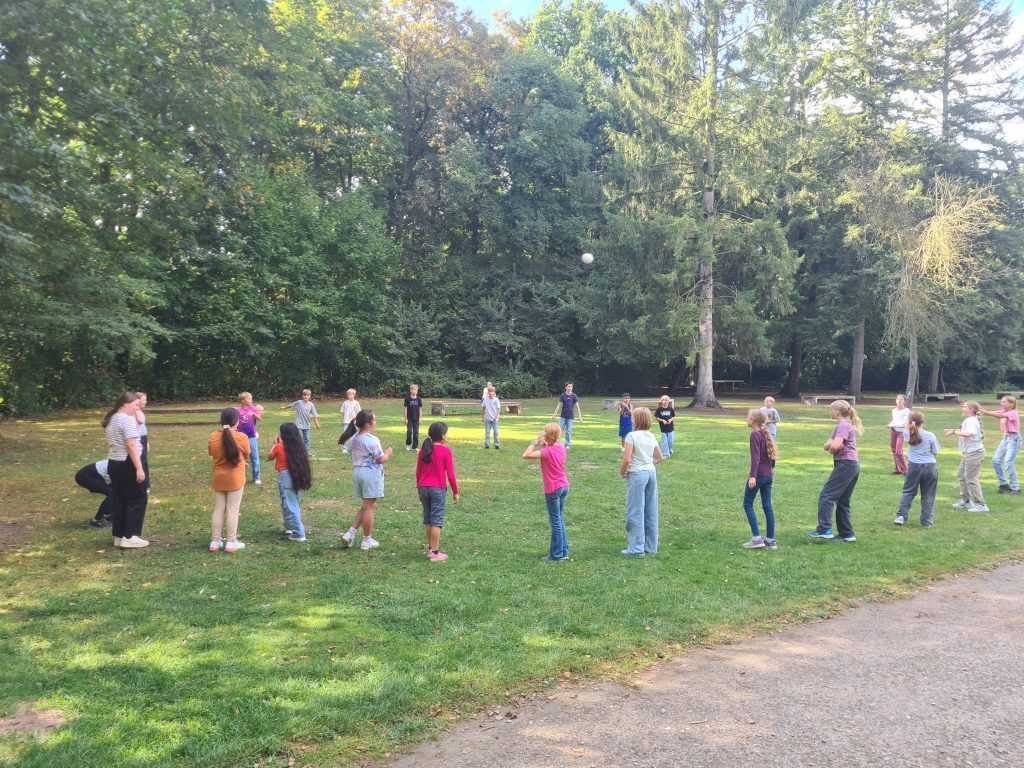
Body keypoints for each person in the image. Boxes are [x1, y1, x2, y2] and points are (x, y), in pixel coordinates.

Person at [339, 410, 393, 551]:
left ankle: (350, 533)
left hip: (358, 472)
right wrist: (388, 453)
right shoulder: (372, 440)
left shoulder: (354, 438)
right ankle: (366, 540)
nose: (375, 422)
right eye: (374, 420)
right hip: (370, 474)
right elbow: (380, 459)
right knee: (369, 508)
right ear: (368, 424)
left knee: (365, 506)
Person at [809, 400, 863, 542]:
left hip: (845, 465)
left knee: (826, 495)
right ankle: (847, 534)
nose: (830, 412)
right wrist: (832, 446)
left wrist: (833, 447)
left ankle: (824, 529)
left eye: (831, 410)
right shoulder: (841, 426)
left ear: (837, 412)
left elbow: (833, 446)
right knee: (843, 500)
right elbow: (826, 445)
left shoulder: (843, 426)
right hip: (852, 465)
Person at [101, 392, 149, 548]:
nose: (137, 408)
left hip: (114, 462)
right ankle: (130, 536)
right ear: (125, 404)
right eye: (135, 405)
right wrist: (139, 468)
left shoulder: (112, 418)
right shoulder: (127, 420)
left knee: (120, 499)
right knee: (137, 499)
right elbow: (131, 444)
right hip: (128, 463)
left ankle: (119, 535)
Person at [619, 407, 663, 556]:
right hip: (651, 473)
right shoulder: (651, 435)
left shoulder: (631, 436)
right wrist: (647, 463)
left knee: (635, 511)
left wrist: (622, 473)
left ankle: (636, 549)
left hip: (637, 475)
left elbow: (627, 459)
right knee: (651, 510)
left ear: (637, 420)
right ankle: (651, 547)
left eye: (633, 417)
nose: (631, 419)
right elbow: (660, 457)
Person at [523, 423, 570, 561]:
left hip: (553, 489)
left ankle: (556, 554)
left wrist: (535, 442)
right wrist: (545, 442)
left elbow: (526, 455)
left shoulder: (546, 452)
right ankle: (564, 551)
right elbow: (551, 448)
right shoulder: (562, 448)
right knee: (559, 519)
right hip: (564, 486)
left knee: (555, 522)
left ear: (547, 436)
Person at [208, 407, 251, 553]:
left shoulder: (213, 436)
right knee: (233, 509)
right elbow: (246, 453)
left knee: (219, 508)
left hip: (219, 477)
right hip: (235, 478)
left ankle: (215, 541)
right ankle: (231, 542)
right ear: (237, 421)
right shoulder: (242, 437)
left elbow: (213, 453)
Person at [416, 422, 459, 561]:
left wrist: (419, 490)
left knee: (428, 518)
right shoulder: (446, 451)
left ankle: (430, 548)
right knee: (436, 521)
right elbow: (451, 475)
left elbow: (418, 473)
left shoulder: (424, 450)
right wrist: (455, 492)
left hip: (424, 488)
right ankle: (434, 553)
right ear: (442, 436)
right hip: (437, 490)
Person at [894, 410, 939, 527]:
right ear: (923, 421)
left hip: (914, 466)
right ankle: (926, 522)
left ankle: (901, 516)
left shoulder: (907, 434)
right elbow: (935, 452)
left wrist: (910, 423)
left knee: (908, 492)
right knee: (928, 495)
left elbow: (906, 428)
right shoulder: (930, 435)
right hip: (930, 466)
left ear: (910, 421)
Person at [269, 422, 312, 542]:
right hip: (297, 475)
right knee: (291, 502)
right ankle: (290, 527)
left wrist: (275, 444)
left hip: (285, 476)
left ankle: (299, 533)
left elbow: (270, 456)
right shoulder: (300, 447)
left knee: (290, 504)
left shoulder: (279, 447)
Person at [742, 409, 778, 549]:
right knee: (767, 506)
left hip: (759, 476)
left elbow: (755, 458)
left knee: (747, 504)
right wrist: (772, 470)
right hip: (768, 475)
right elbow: (772, 453)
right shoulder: (765, 432)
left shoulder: (755, 434)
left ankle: (757, 539)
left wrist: (753, 476)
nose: (747, 419)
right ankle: (770, 539)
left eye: (748, 417)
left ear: (753, 420)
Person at [945, 401, 989, 512]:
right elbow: (966, 432)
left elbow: (969, 433)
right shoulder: (969, 420)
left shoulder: (971, 421)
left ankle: (981, 504)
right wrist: (954, 430)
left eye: (964, 407)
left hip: (974, 453)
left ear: (971, 410)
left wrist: (954, 431)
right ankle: (966, 501)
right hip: (968, 453)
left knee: (971, 479)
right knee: (961, 475)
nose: (962, 408)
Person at [980, 395, 1021, 495]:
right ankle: (1004, 485)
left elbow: (1000, 416)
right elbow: (994, 413)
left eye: (1004, 402)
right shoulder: (1003, 411)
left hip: (1014, 439)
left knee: (1008, 463)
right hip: (1006, 438)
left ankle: (1016, 488)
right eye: (1001, 401)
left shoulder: (1013, 413)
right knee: (996, 461)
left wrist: (986, 412)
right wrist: (979, 409)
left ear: (1011, 404)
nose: (1001, 403)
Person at [236, 391, 264, 486]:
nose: (251, 400)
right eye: (249, 398)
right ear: (243, 401)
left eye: (251, 398)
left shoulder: (252, 408)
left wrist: (254, 414)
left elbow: (259, 418)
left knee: (255, 456)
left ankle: (257, 477)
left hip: (251, 436)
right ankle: (239, 476)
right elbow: (234, 422)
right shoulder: (237, 410)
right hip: (240, 437)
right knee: (240, 457)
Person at [75, 460, 113, 527]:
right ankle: (98, 520)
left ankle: (108, 516)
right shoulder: (125, 467)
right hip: (85, 476)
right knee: (114, 494)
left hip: (95, 475)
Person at [551, 382, 583, 449]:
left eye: (571, 386)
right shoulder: (563, 395)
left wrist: (580, 416)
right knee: (560, 430)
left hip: (570, 416)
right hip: (563, 416)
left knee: (568, 431)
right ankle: (558, 443)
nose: (570, 388)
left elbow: (577, 407)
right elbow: (559, 405)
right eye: (568, 386)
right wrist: (554, 414)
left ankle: (567, 444)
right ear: (565, 387)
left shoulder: (574, 396)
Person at [887, 394, 911, 475]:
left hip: (901, 432)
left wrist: (893, 425)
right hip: (894, 431)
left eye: (901, 399)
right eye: (897, 399)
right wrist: (890, 424)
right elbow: (894, 421)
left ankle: (905, 470)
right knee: (894, 450)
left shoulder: (907, 411)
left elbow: (904, 423)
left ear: (904, 401)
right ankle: (898, 469)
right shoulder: (894, 411)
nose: (899, 401)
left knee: (898, 451)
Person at [135, 391, 151, 491]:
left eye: (146, 400)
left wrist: (147, 441)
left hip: (143, 438)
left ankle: (146, 485)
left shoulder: (139, 411)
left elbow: (143, 428)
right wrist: (136, 408)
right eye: (143, 400)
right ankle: (144, 485)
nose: (145, 402)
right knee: (141, 462)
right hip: (138, 439)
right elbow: (140, 421)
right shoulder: (136, 411)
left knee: (144, 462)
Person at [340, 389, 361, 454]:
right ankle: (344, 448)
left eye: (350, 394)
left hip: (353, 422)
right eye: (348, 394)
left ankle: (353, 448)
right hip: (346, 422)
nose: (349, 396)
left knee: (353, 435)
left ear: (354, 395)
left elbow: (359, 413)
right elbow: (342, 412)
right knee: (345, 435)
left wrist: (357, 420)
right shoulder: (345, 403)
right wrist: (342, 420)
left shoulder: (356, 403)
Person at [404, 384, 424, 452]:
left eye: (416, 390)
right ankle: (408, 444)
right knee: (409, 432)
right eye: (413, 389)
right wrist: (406, 419)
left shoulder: (419, 399)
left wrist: (420, 418)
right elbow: (405, 409)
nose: (414, 391)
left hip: (416, 419)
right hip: (409, 418)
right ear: (410, 390)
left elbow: (420, 409)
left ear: (417, 390)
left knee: (416, 432)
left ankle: (415, 446)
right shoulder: (407, 399)